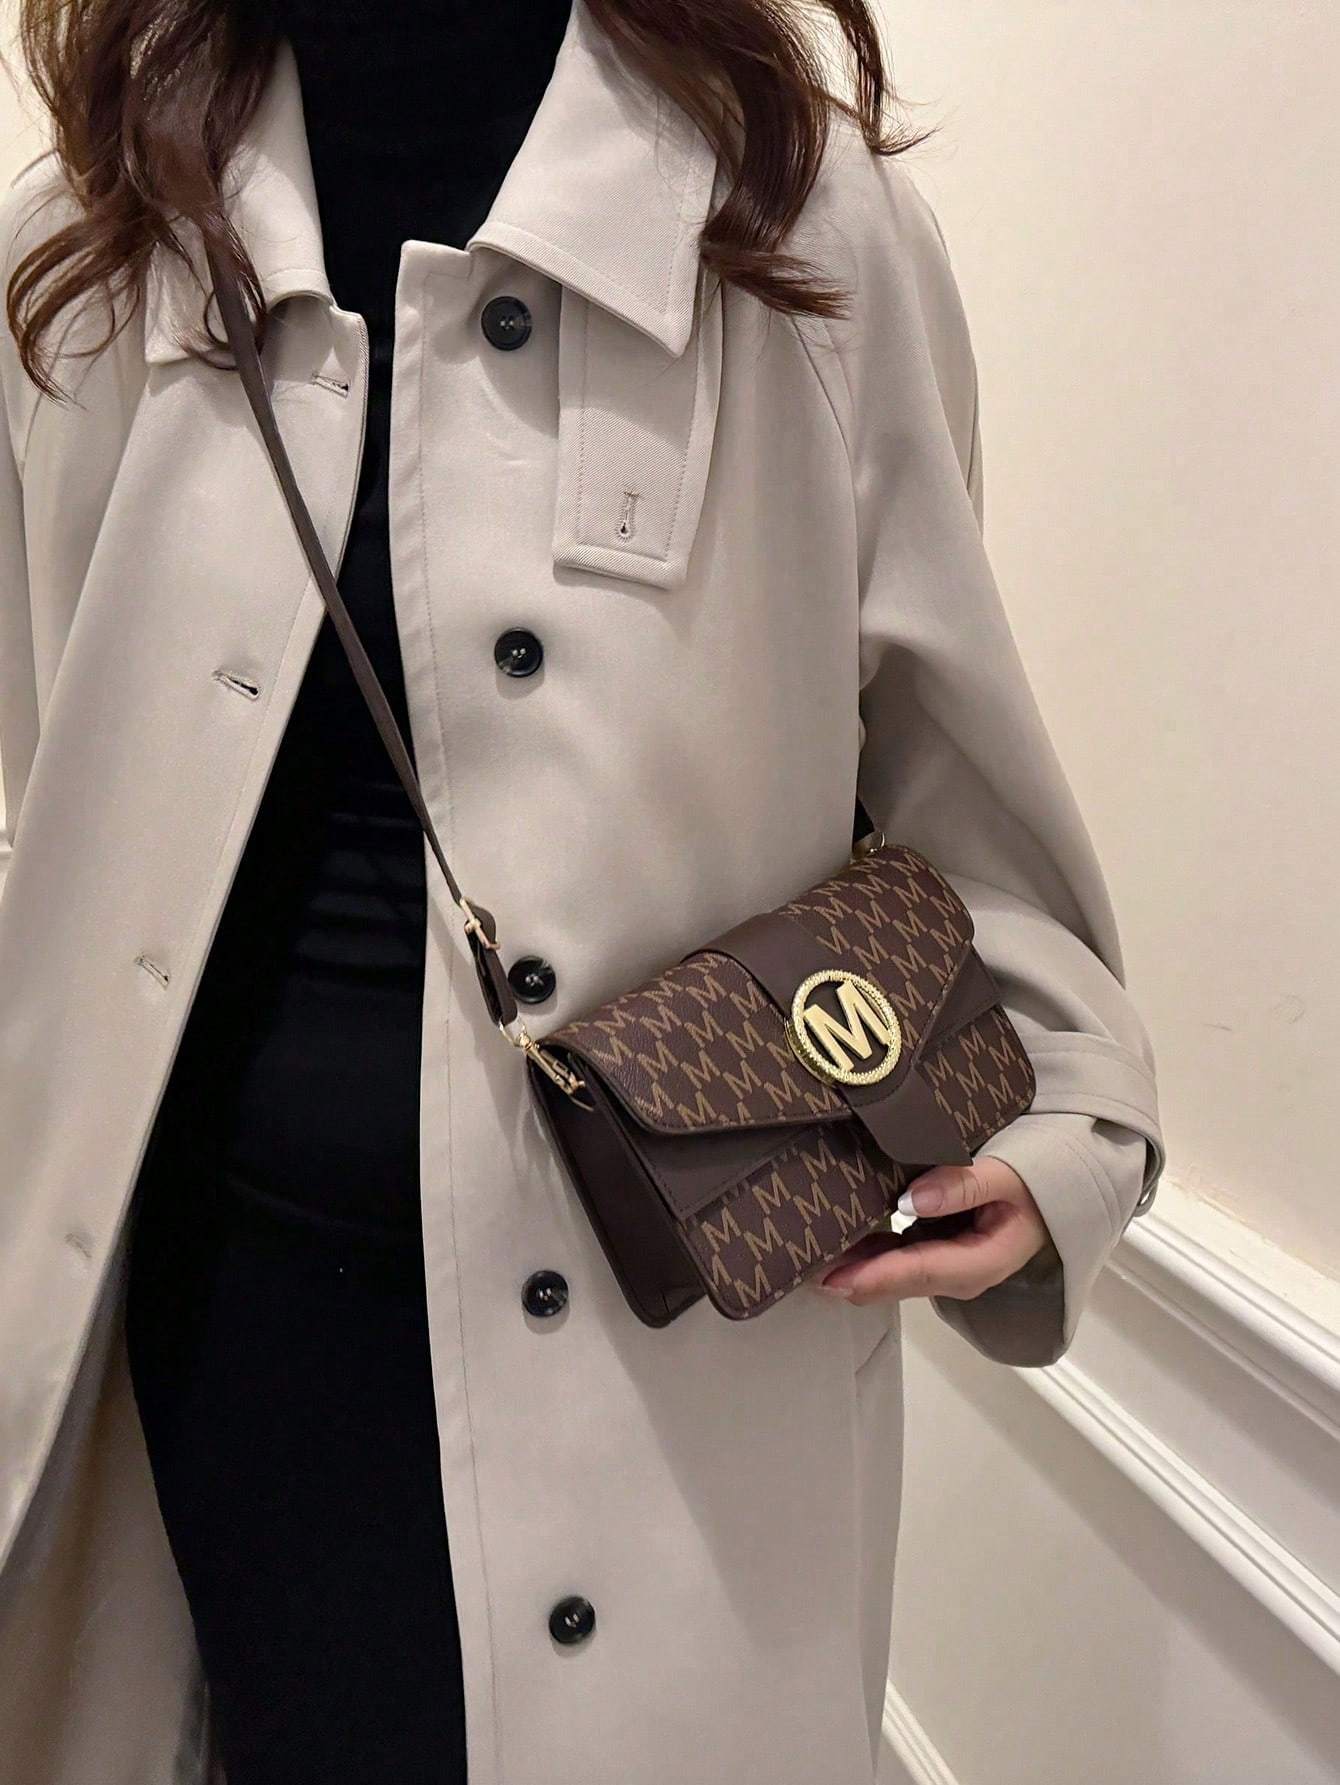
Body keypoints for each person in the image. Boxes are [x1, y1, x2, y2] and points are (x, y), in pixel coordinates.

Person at [0, 2, 1165, 1782]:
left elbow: (972, 810)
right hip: (221, 1333)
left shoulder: (796, 222)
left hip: (676, 1356)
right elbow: (39, 808)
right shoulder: (90, 242)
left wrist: (1057, 1130)